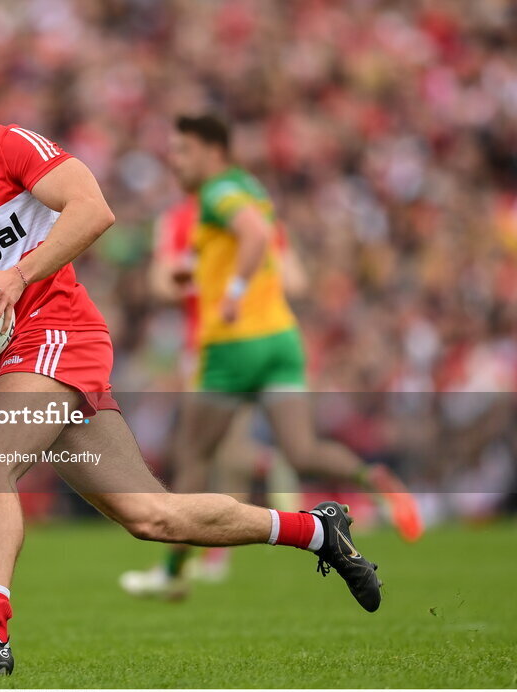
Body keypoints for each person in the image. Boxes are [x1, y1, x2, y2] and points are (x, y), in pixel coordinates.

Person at [0, 44, 382, 678]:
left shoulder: (10, 147)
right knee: (153, 516)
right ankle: (317, 531)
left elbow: (94, 209)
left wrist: (16, 278)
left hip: (61, 333)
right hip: (19, 355)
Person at [120, 115, 423, 602]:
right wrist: (211, 273)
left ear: (213, 152)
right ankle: (375, 478)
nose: (174, 162)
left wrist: (233, 290)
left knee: (194, 459)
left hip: (230, 347)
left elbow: (253, 237)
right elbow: (280, 262)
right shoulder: (251, 190)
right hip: (281, 338)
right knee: (301, 451)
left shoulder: (217, 194)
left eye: (183, 152)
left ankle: (173, 570)